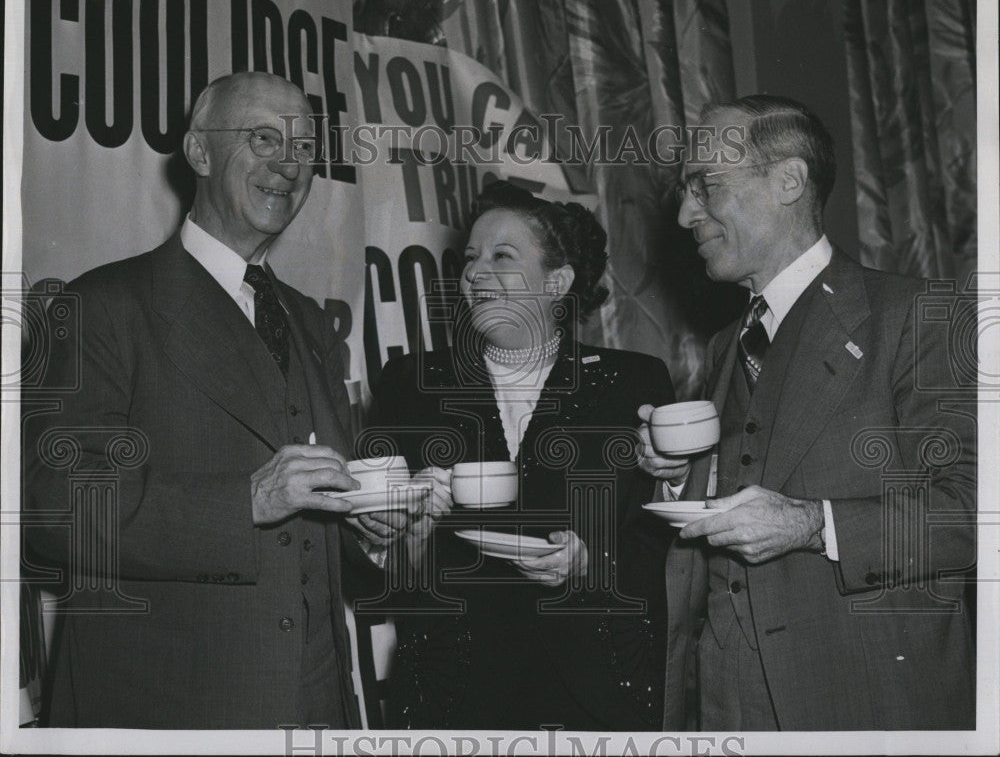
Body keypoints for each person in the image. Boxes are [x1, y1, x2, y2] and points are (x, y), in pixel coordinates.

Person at [23, 72, 383, 728]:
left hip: (318, 712)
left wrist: (381, 533)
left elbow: (325, 550)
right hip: (168, 714)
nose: (289, 165)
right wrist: (244, 503)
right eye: (264, 138)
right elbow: (52, 505)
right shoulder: (100, 306)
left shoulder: (310, 323)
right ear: (198, 151)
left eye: (304, 147)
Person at [639, 95, 976, 730]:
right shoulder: (723, 345)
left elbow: (973, 513)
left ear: (788, 181)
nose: (685, 214)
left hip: (863, 702)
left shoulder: (916, 316)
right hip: (727, 703)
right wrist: (678, 473)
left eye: (704, 186)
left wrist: (812, 525)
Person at [366, 180, 678, 730]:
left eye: (501, 257)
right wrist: (406, 530)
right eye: (469, 259)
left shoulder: (634, 383)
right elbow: (386, 569)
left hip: (595, 696)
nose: (474, 273)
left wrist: (589, 565)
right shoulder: (410, 385)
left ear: (557, 282)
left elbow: (659, 546)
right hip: (449, 697)